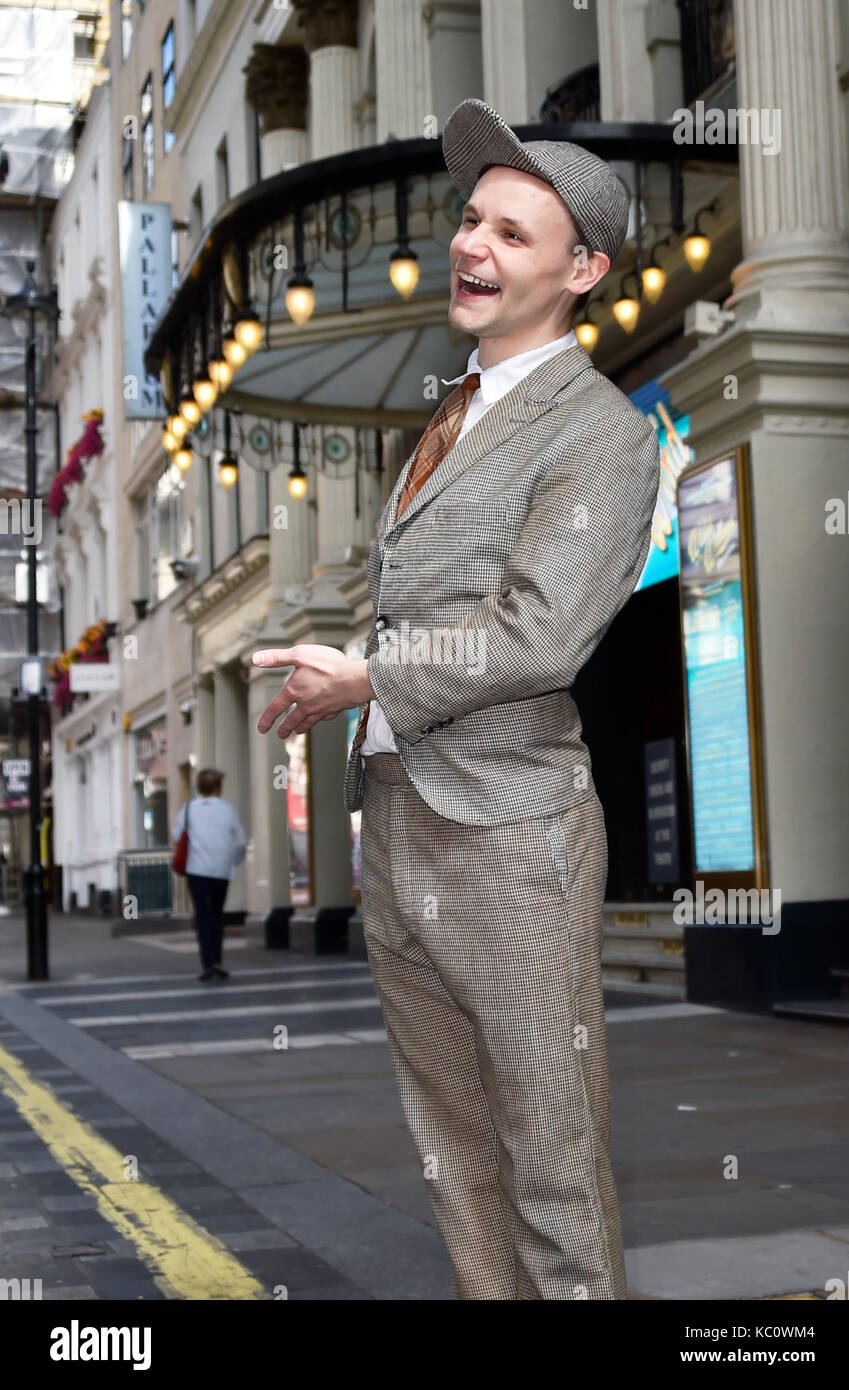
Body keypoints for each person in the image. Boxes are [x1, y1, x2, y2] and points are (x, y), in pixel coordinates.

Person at [252, 98, 660, 1300]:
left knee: (550, 1157)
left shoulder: (599, 434)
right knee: (453, 1151)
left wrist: (370, 677)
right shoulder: (453, 410)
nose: (470, 246)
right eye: (470, 219)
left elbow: (541, 633)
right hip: (401, 815)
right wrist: (350, 682)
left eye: (510, 234)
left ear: (581, 272)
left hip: (511, 834)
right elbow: (431, 608)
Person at [171, 768, 247, 982]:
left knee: (202, 915)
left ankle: (207, 962)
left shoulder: (188, 809)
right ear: (218, 788)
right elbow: (241, 841)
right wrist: (233, 861)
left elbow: (176, 835)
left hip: (196, 870)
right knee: (217, 915)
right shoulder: (228, 810)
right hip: (221, 870)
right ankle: (218, 960)